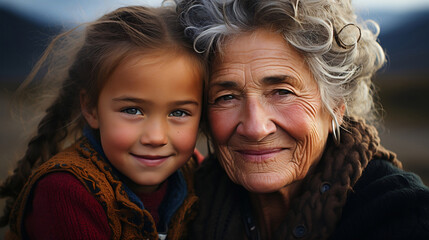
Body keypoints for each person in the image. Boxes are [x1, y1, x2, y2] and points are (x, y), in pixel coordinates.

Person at [176, 0, 429, 239]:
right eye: (226, 97)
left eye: (283, 92)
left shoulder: (404, 216)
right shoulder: (178, 206)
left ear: (336, 104)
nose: (255, 128)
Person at [0, 5, 205, 240]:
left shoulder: (196, 172)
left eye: (179, 113)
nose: (156, 137)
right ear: (91, 108)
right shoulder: (66, 191)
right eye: (132, 110)